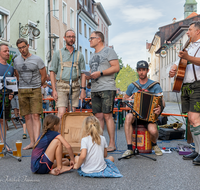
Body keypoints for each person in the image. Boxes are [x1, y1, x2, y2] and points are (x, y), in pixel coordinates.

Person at [169, 21, 200, 165]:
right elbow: (178, 61)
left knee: (195, 119)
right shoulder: (188, 46)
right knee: (191, 121)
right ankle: (197, 150)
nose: (187, 32)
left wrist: (188, 58)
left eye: (190, 30)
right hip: (186, 86)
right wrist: (173, 68)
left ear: (198, 31)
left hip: (198, 85)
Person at [122, 60, 165, 158]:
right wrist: (129, 99)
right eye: (139, 70)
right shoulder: (132, 86)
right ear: (137, 71)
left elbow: (162, 102)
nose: (141, 72)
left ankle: (154, 145)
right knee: (128, 117)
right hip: (135, 115)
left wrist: (160, 109)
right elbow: (124, 100)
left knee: (153, 131)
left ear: (147, 70)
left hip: (149, 116)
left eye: (144, 70)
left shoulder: (155, 86)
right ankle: (129, 148)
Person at [87, 31, 120, 152]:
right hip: (95, 88)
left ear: (99, 39)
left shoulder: (109, 51)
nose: (89, 40)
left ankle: (112, 143)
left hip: (107, 87)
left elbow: (116, 67)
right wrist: (89, 76)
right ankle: (100, 142)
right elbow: (93, 70)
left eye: (91, 38)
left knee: (107, 116)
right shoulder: (92, 55)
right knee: (98, 116)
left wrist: (100, 73)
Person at [14, 38, 47, 150]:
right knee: (27, 116)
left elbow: (44, 75)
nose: (22, 50)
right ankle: (32, 142)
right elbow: (17, 75)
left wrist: (38, 85)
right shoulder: (16, 60)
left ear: (28, 45)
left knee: (36, 115)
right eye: (20, 48)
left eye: (24, 47)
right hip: (22, 90)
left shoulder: (37, 59)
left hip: (35, 89)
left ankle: (37, 142)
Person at [50, 29, 86, 120]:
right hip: (61, 85)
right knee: (61, 113)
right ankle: (60, 134)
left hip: (75, 86)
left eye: (73, 37)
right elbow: (52, 72)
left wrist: (83, 90)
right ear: (64, 38)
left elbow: (83, 74)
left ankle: (70, 133)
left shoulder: (79, 55)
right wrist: (54, 90)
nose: (71, 39)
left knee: (72, 113)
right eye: (69, 36)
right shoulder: (58, 53)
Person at [0, 43, 14, 150]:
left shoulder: (11, 68)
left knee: (3, 120)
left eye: (8, 51)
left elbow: (12, 83)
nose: (8, 53)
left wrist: (12, 93)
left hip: (6, 97)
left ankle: (3, 142)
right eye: (5, 51)